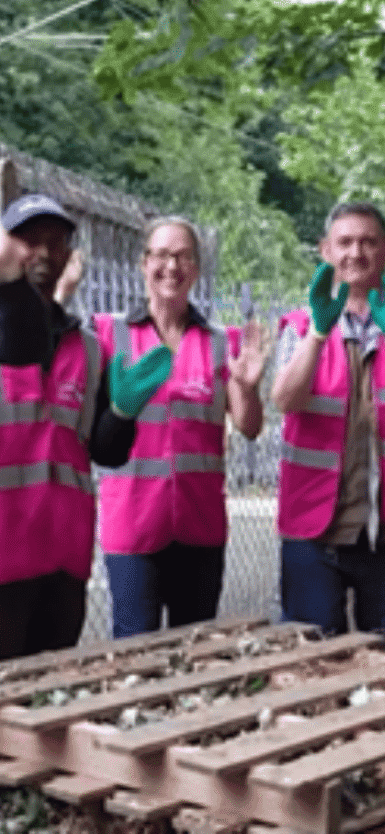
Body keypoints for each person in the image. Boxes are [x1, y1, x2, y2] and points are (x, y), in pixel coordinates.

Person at [271, 203, 385, 652]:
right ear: (325, 251)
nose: (357, 252)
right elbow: (285, 399)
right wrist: (320, 332)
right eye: (345, 242)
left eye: (369, 242)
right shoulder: (301, 325)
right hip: (314, 532)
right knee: (312, 668)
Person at [0, 195, 170, 656]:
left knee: (44, 702)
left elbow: (105, 452)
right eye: (28, 240)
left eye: (56, 243)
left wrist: (125, 413)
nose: (44, 253)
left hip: (62, 560)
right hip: (3, 557)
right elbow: (18, 335)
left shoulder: (89, 347)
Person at [94, 215, 267, 638]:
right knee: (135, 651)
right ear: (143, 263)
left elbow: (248, 427)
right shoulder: (108, 335)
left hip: (199, 525)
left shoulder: (220, 342)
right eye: (162, 255)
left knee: (196, 651)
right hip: (132, 525)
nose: (172, 266)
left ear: (197, 268)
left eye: (183, 256)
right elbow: (94, 433)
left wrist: (247, 387)